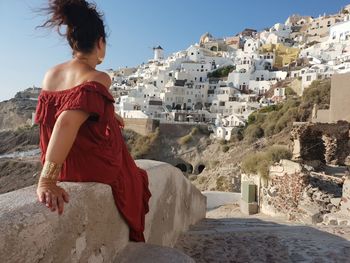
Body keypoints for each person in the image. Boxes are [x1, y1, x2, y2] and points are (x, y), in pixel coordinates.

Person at [35, 0, 151, 242]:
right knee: (133, 174)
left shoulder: (51, 73)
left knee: (113, 133)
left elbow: (70, 109)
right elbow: (66, 121)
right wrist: (46, 181)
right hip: (80, 167)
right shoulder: (98, 77)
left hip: (58, 159)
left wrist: (108, 115)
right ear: (100, 43)